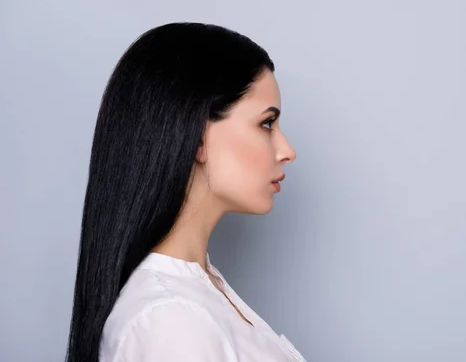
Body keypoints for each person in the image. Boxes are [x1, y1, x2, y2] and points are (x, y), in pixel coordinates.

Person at [65, 22, 305, 361]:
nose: (287, 150)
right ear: (197, 138)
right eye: (266, 123)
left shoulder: (201, 288)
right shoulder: (170, 319)